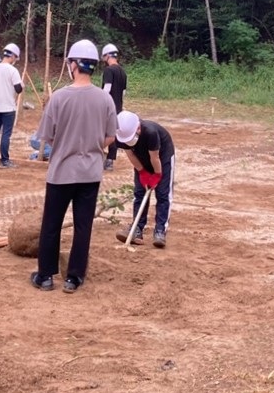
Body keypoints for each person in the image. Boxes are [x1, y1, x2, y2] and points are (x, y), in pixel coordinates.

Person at [30, 39, 118, 294]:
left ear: (73, 65)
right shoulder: (105, 100)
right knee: (83, 226)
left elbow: (44, 136)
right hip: (90, 173)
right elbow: (110, 138)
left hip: (61, 173)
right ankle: (74, 278)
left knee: (52, 224)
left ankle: (45, 276)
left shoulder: (59, 98)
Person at [113, 110, 175, 247]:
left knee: (163, 193)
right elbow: (131, 155)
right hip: (140, 158)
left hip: (162, 156)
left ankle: (160, 230)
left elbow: (155, 158)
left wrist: (157, 175)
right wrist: (143, 172)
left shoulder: (151, 133)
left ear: (138, 128)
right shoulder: (120, 136)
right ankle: (137, 229)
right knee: (140, 192)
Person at [0, 43, 24, 169]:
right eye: (15, 58)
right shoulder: (13, 71)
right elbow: (18, 89)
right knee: (6, 134)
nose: (15, 60)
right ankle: (4, 160)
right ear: (12, 56)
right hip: (8, 107)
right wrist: (22, 86)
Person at [100, 43, 126, 171]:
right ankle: (110, 160)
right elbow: (123, 92)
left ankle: (96, 156)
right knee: (113, 133)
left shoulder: (109, 71)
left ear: (108, 56)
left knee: (101, 131)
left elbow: (107, 89)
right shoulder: (122, 71)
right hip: (118, 107)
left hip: (108, 107)